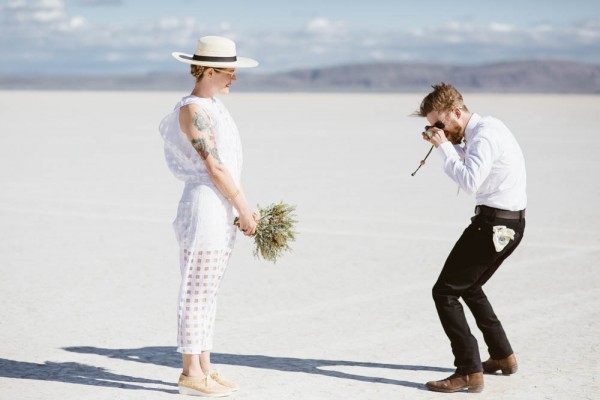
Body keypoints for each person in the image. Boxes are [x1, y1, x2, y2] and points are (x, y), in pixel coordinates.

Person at [159, 35, 259, 397]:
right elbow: (214, 166)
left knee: (209, 292)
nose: (234, 79)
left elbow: (231, 166)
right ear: (210, 71)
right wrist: (242, 207)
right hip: (205, 207)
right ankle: (190, 371)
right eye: (229, 72)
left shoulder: (215, 107)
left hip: (223, 205)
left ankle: (205, 366)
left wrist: (244, 205)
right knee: (195, 291)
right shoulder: (193, 110)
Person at [414, 83, 527, 393]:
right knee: (470, 286)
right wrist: (448, 143)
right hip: (509, 224)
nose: (438, 129)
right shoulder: (487, 130)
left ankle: (467, 371)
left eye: (440, 123)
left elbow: (470, 180)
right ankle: (502, 355)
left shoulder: (486, 134)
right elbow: (476, 162)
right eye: (431, 125)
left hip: (493, 225)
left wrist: (444, 148)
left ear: (457, 112)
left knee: (445, 292)